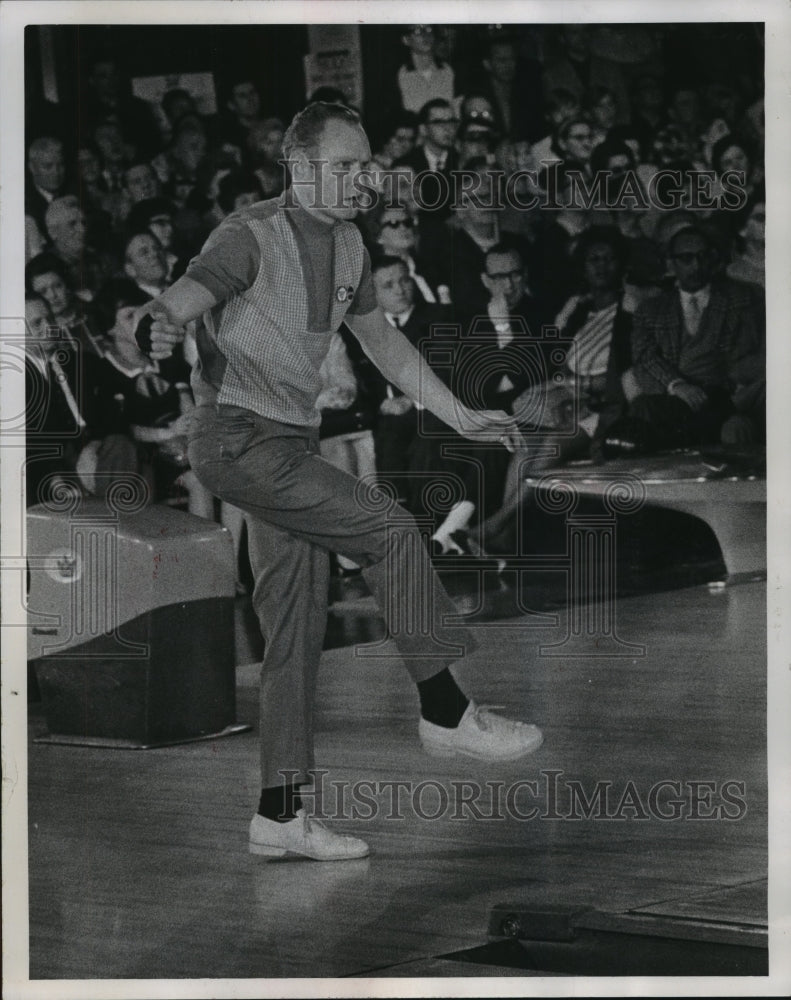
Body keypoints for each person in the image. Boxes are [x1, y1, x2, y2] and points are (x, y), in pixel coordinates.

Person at [135, 102, 542, 863]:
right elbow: (181, 299)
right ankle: (446, 708)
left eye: (367, 163)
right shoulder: (248, 235)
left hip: (287, 442)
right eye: (347, 165)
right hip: (235, 437)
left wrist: (460, 415)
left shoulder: (352, 243)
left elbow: (381, 341)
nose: (365, 177)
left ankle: (279, 812)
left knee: (295, 626)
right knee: (388, 529)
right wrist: (157, 320)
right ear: (299, 167)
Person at [627, 224, 764, 448]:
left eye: (702, 256)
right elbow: (644, 358)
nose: (697, 265)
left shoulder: (744, 296)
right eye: (687, 258)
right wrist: (677, 385)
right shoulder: (651, 310)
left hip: (728, 397)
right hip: (678, 402)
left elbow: (757, 352)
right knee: (643, 408)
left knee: (736, 425)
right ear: (671, 263)